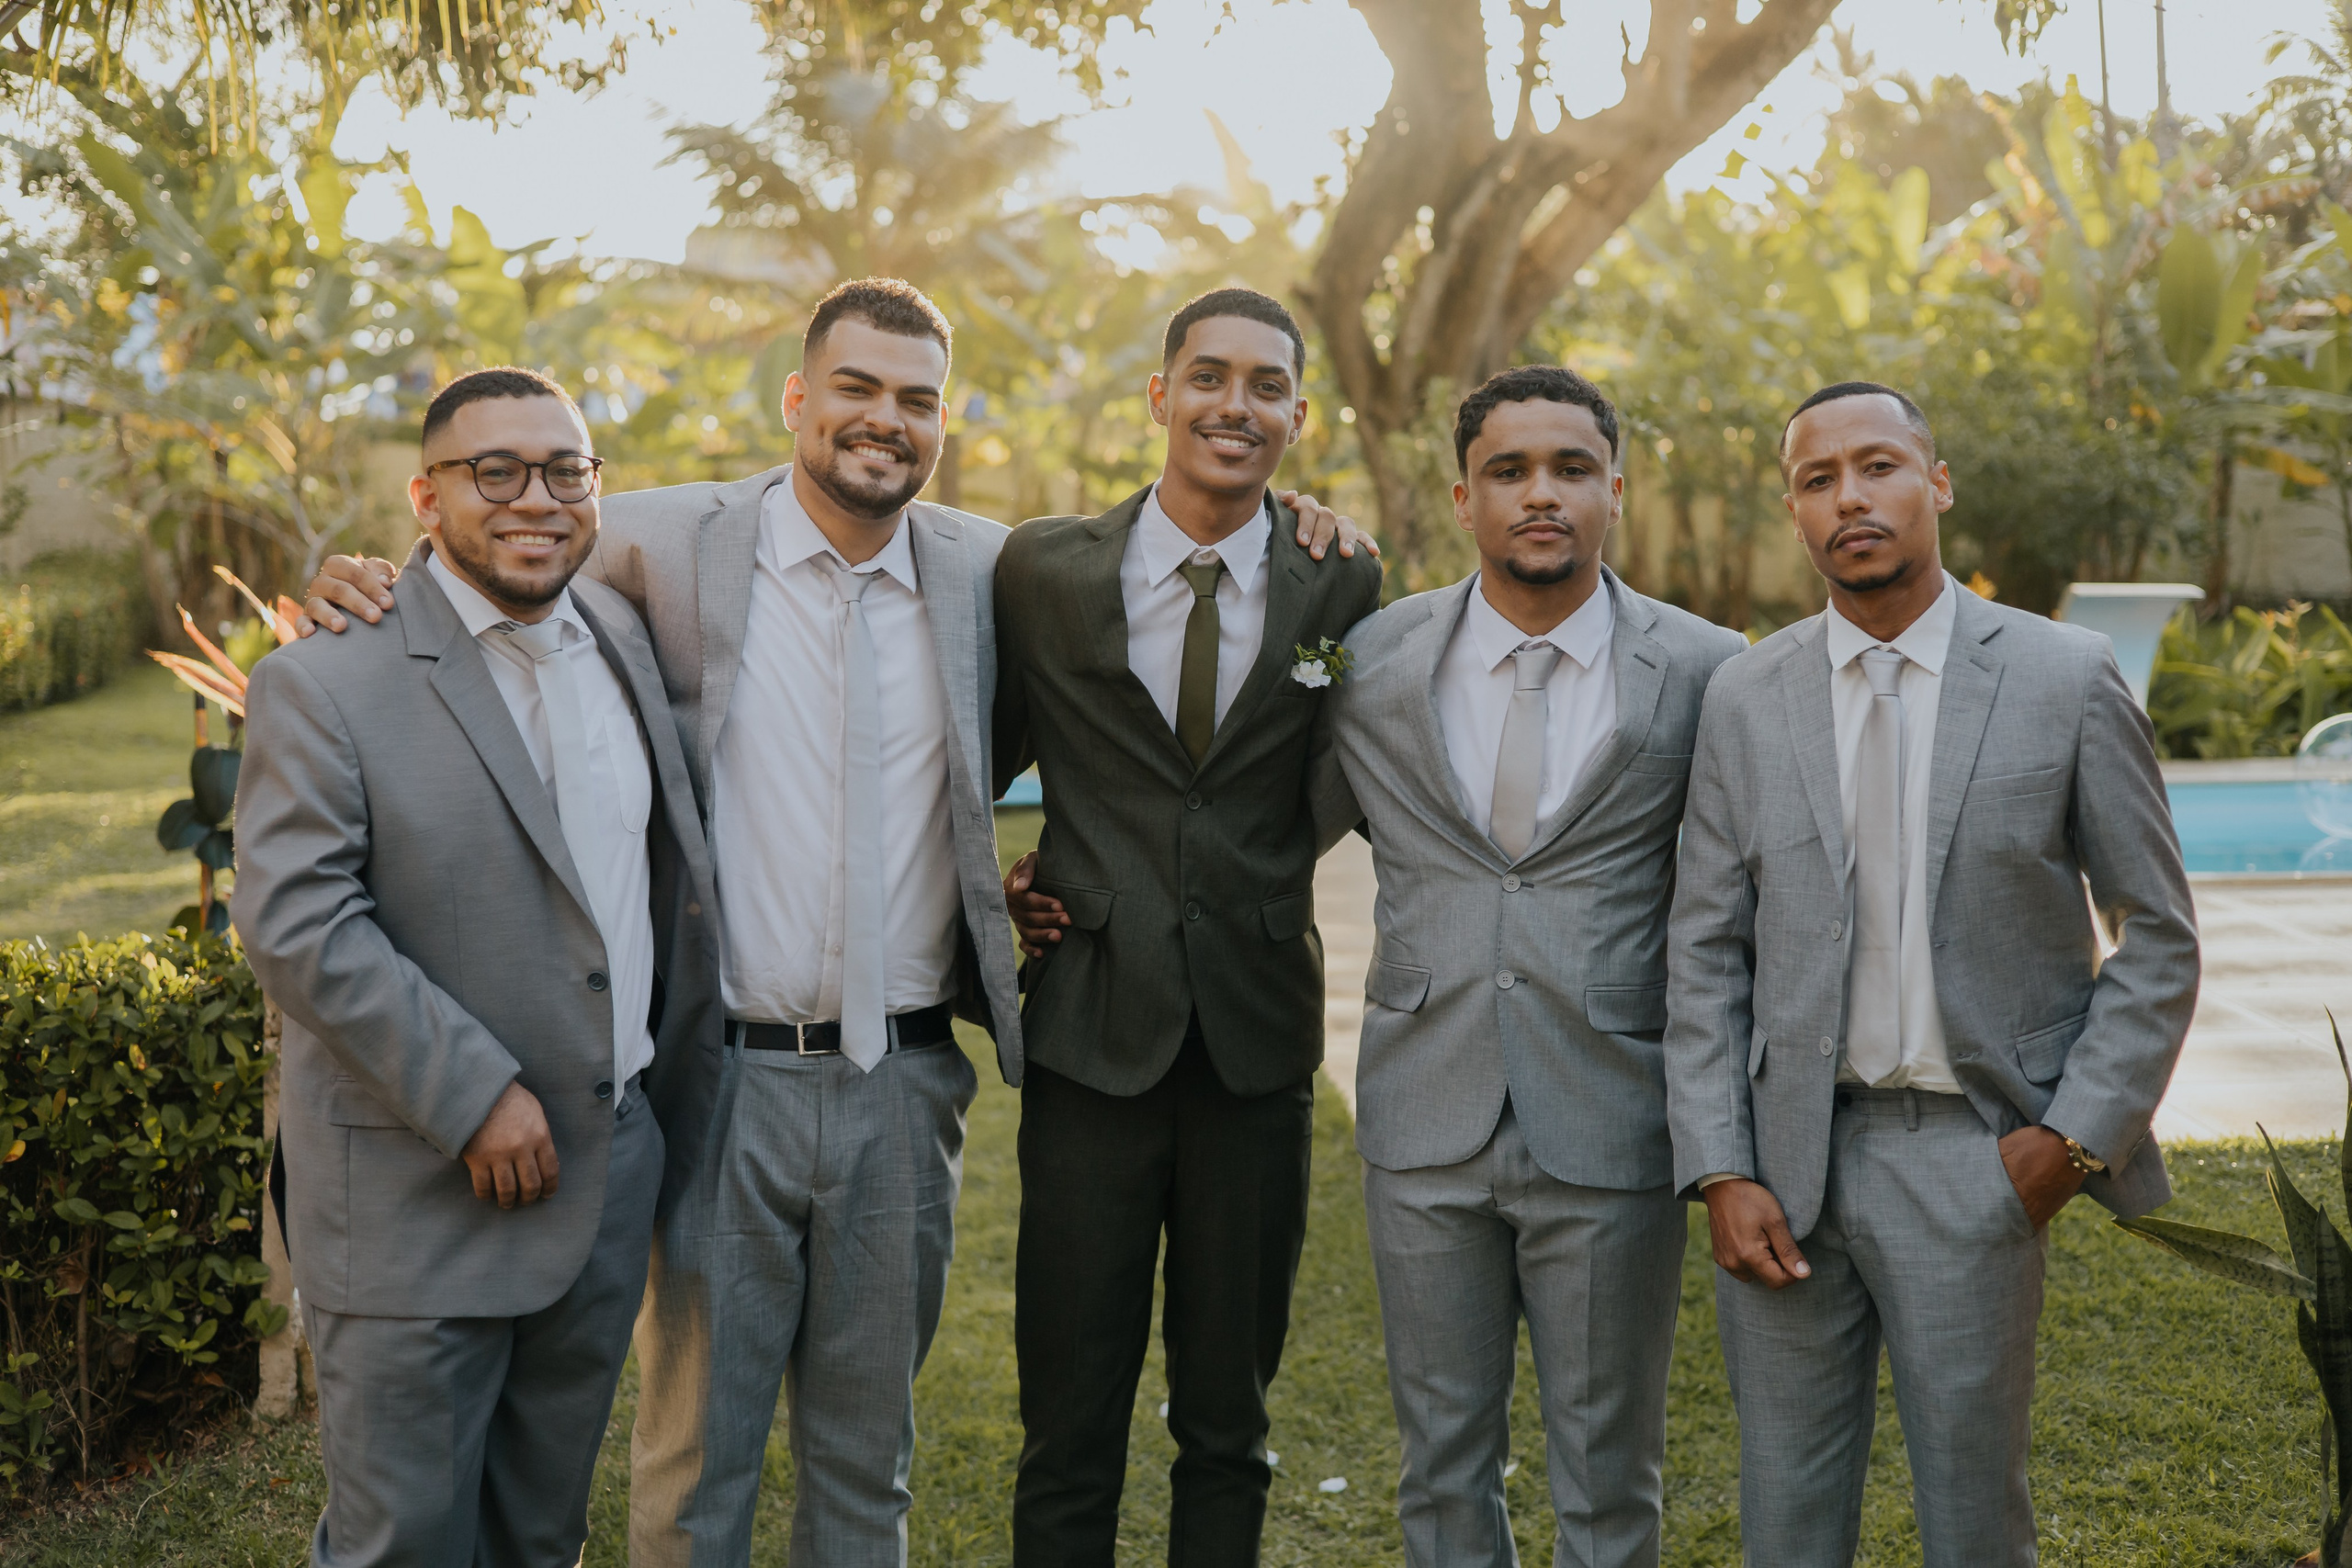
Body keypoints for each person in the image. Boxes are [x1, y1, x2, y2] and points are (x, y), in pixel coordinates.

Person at [297, 277, 1369, 1568]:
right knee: (697, 1473)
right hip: (726, 1084)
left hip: (909, 1088)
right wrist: (372, 577)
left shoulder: (997, 569)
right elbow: (502, 532)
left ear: (943, 421)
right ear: (799, 398)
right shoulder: (661, 543)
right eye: (856, 389)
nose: (885, 421)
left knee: (871, 1473)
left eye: (917, 400)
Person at [1664, 381, 2199, 1565]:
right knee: (1786, 1526)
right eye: (1818, 480)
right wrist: (1717, 1166)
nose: (1851, 497)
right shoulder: (1746, 698)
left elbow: (2157, 932)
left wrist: (2070, 1141)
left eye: (1879, 466)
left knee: (1972, 1522)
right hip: (1783, 1171)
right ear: (1796, 513)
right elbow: (1704, 947)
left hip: (1978, 1161)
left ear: (1937, 482)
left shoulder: (2066, 676)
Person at [233, 367, 723, 1567]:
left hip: (604, 1190)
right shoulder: (324, 677)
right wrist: (471, 1092)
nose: (534, 498)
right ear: (425, 495)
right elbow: (297, 920)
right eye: (492, 471)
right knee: (403, 1545)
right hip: (419, 1201)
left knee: (536, 1539)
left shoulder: (618, 633)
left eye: (565, 470)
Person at [1306, 366, 1745, 1568]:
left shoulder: (1709, 669)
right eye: (1508, 471)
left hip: (1611, 1113)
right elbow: (1259, 825)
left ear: (1615, 487)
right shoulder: (1373, 661)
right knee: (1440, 1462)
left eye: (1568, 468)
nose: (1537, 495)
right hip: (1420, 1111)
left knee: (1609, 1470)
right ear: (1463, 497)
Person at [997, 287, 1384, 1566]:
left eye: (1266, 385)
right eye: (1209, 377)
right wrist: (992, 885)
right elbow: (961, 765)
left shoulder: (1342, 577)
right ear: (1160, 396)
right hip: (1091, 1037)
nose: (1236, 404)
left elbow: (1352, 769)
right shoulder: (1043, 571)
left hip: (1259, 1045)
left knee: (1230, 1419)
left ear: (1296, 415)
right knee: (1069, 1418)